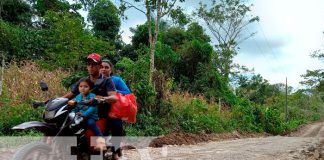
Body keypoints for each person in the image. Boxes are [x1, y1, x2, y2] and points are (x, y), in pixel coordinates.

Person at [63, 53, 122, 160]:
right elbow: (70, 95)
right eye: (88, 64)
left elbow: (114, 97)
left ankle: (115, 152)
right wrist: (56, 100)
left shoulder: (106, 80)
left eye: (93, 64)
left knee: (117, 123)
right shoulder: (84, 81)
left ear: (99, 66)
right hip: (81, 113)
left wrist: (103, 99)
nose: (90, 67)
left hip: (100, 114)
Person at [68, 78, 106, 151]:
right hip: (79, 116)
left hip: (90, 116)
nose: (83, 88)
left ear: (90, 88)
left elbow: (93, 108)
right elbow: (75, 106)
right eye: (81, 86)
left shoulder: (92, 96)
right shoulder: (78, 96)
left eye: (86, 86)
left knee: (90, 123)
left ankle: (101, 142)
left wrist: (84, 114)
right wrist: (73, 112)